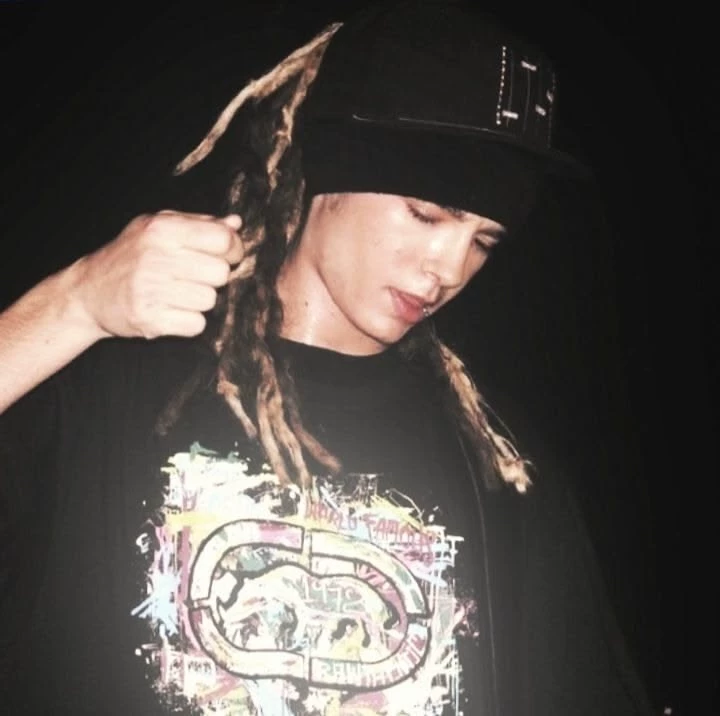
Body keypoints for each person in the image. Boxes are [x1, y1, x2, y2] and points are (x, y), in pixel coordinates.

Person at [0, 1, 657, 714]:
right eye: (426, 213)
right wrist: (72, 304)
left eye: (483, 241)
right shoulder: (117, 375)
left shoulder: (498, 465)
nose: (448, 267)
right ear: (329, 172)